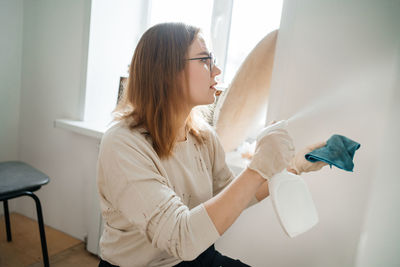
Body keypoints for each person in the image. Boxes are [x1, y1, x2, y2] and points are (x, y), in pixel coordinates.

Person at [96, 22, 326, 267]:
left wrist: (293, 166)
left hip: (198, 258)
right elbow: (180, 238)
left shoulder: (203, 136)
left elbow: (235, 195)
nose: (216, 70)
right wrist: (257, 167)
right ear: (165, 71)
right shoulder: (122, 144)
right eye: (205, 60)